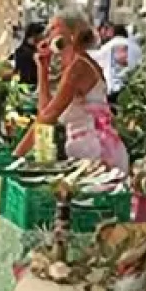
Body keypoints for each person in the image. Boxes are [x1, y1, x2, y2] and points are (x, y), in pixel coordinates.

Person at [12, 9, 129, 172]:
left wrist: (16, 156)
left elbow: (48, 116)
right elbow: (44, 112)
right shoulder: (73, 65)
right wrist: (42, 70)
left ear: (73, 32)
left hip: (98, 152)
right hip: (84, 151)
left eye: (54, 28)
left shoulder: (79, 66)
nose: (49, 34)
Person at [12, 22, 44, 87]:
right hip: (33, 83)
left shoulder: (19, 51)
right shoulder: (29, 52)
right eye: (40, 35)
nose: (42, 38)